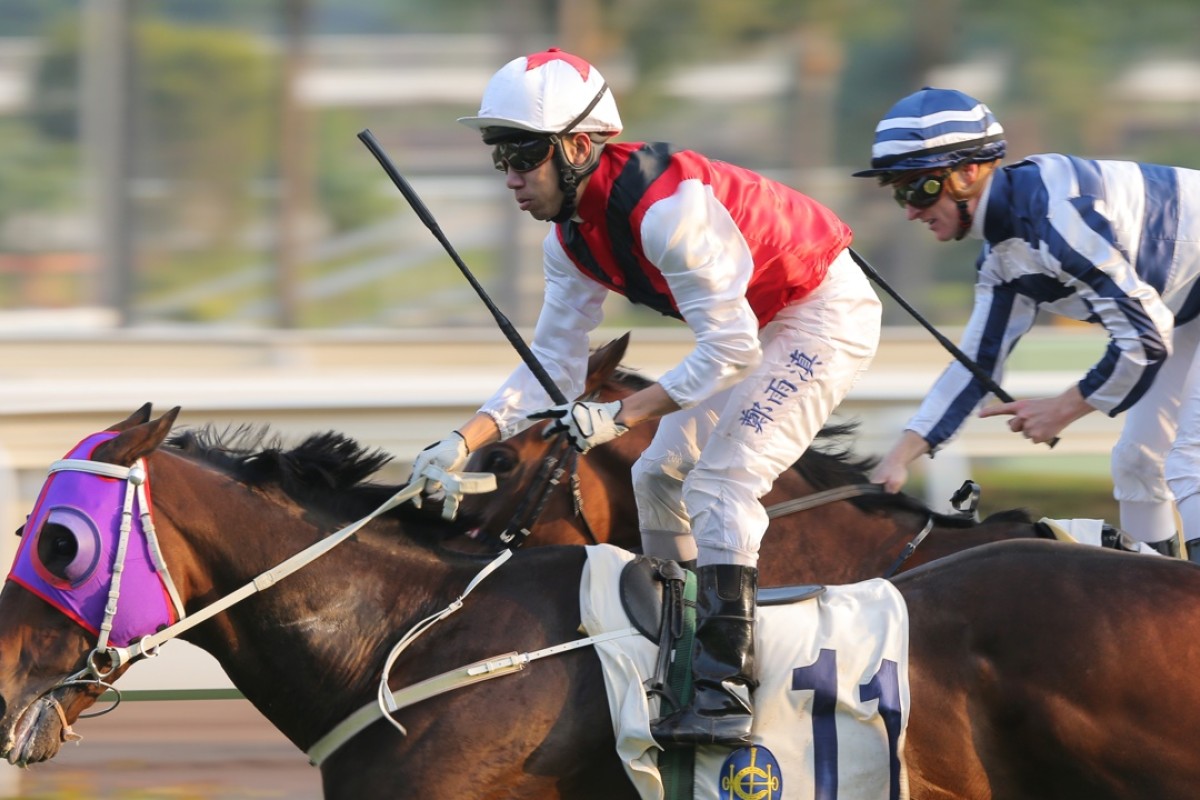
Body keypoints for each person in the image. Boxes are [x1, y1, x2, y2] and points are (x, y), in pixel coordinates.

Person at [410, 48, 881, 746]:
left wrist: (619, 413)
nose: (509, 175)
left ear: (576, 146)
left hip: (820, 313)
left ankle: (725, 686)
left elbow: (732, 351)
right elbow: (554, 361)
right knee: (655, 472)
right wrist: (465, 440)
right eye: (497, 155)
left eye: (522, 154)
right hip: (755, 324)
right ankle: (682, 647)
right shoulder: (568, 239)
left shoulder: (667, 216)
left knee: (722, 481)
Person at [853, 86, 1200, 560]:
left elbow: (1144, 334)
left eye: (920, 187)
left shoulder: (1054, 216)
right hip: (1185, 306)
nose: (912, 209)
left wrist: (1064, 407)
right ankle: (1164, 606)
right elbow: (975, 367)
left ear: (968, 172)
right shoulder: (1002, 257)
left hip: (1175, 312)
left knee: (1191, 462)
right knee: (1139, 463)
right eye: (900, 195)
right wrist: (896, 461)